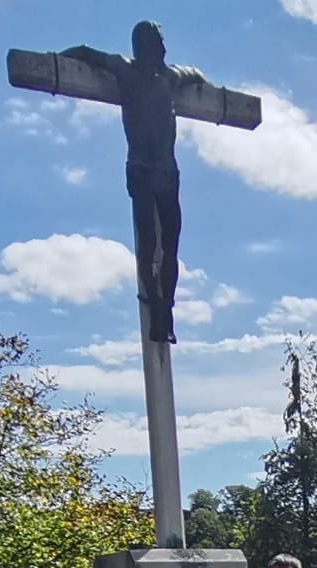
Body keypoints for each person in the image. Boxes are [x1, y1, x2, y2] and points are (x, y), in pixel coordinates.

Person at [61, 22, 208, 344]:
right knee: (148, 244)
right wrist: (55, 63)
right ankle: (155, 306)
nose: (165, 49)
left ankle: (165, 310)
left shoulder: (171, 76)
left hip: (167, 174)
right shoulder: (124, 69)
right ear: (145, 45)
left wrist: (208, 87)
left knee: (169, 246)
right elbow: (85, 53)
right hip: (143, 171)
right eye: (159, 42)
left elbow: (194, 73)